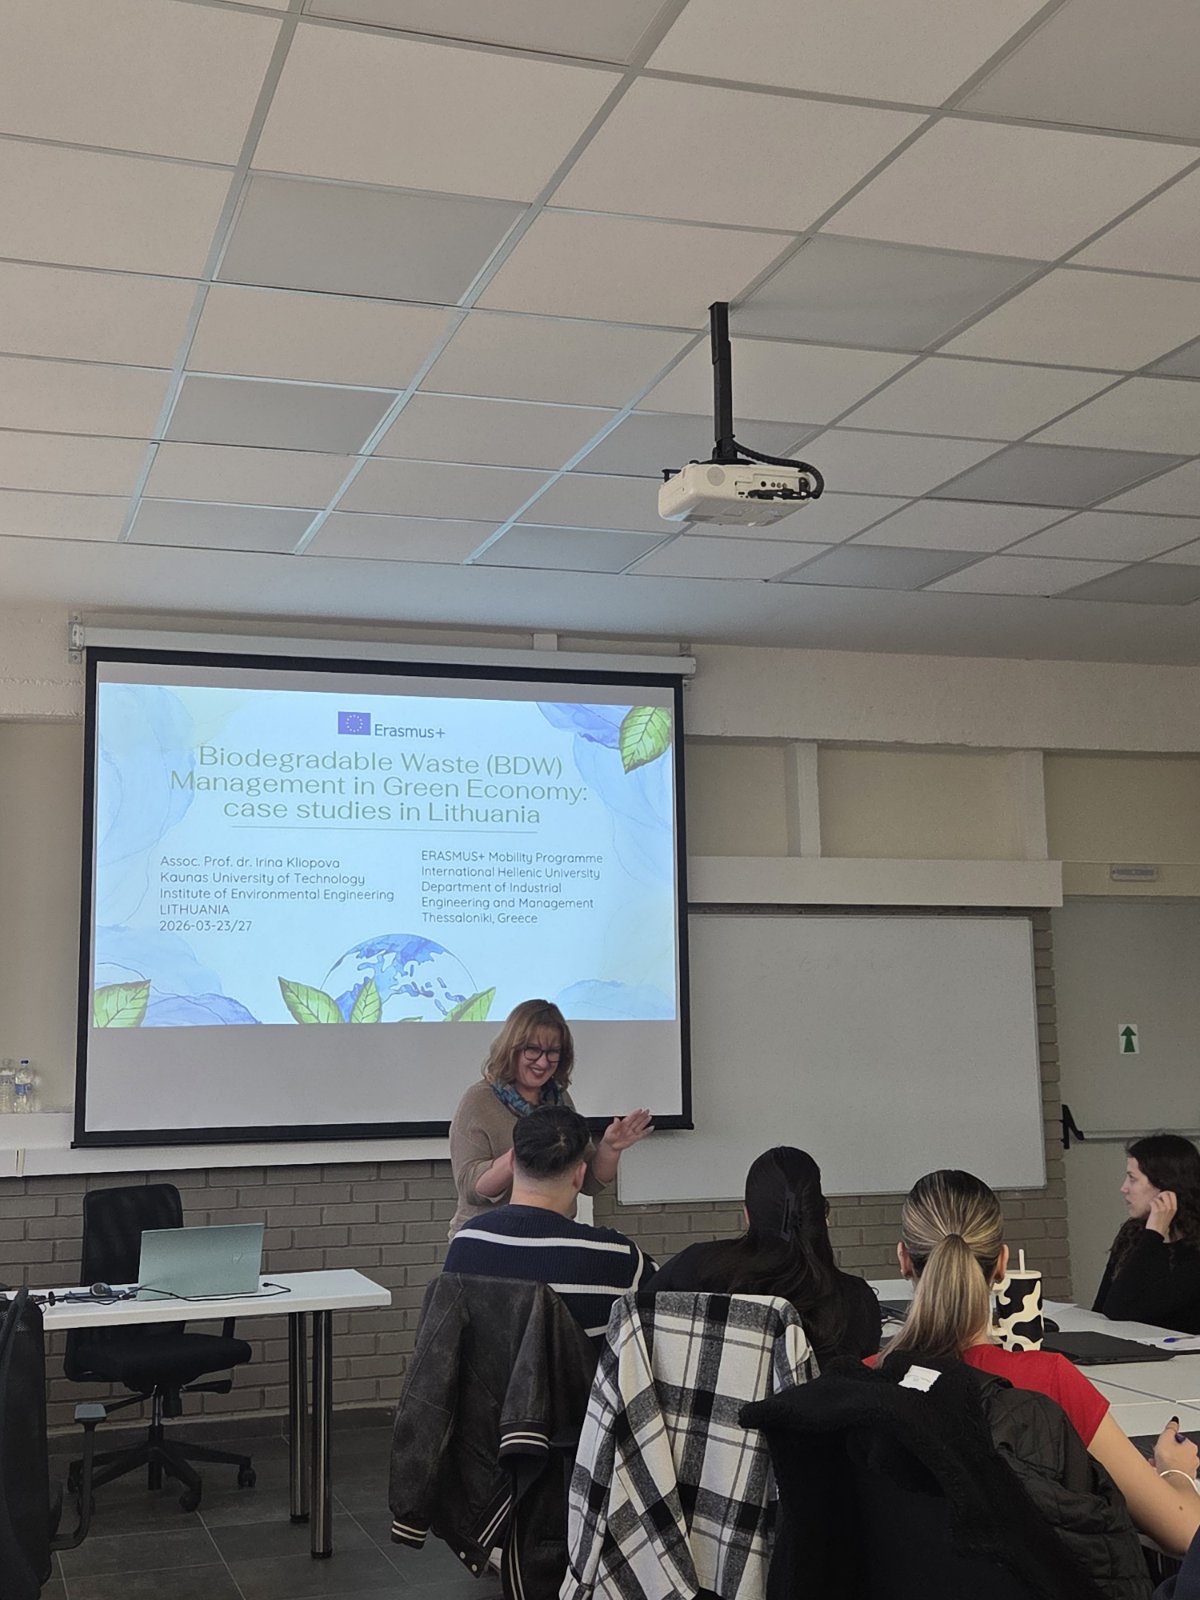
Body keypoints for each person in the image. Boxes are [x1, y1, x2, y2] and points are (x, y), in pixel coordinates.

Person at [877, 1168, 1200, 1561]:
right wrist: (1176, 1472)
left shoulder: (861, 1379)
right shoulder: (1046, 1382)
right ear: (1002, 1265)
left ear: (903, 1259)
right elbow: (1184, 1532)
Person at [641, 1145, 882, 1363]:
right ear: (822, 1216)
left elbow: (634, 1329)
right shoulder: (858, 1300)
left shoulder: (695, 1265)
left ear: (748, 1214)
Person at [443, 1104, 654, 1345]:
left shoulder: (466, 1243)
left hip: (486, 1371)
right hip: (585, 1371)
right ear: (580, 1174)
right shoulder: (619, 1256)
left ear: (510, 1162)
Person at [447, 998, 652, 1237]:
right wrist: (521, 1156)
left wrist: (610, 1148)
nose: (543, 1062)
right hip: (488, 1239)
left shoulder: (560, 1098)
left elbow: (589, 1183)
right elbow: (471, 1188)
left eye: (553, 1052)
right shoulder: (478, 1100)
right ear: (512, 1048)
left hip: (552, 1236)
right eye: (533, 1049)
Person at [1094, 1135, 1200, 1334]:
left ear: (1166, 1185)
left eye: (1133, 1179)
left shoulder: (1194, 1248)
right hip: (1129, 1346)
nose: (1124, 1188)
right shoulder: (1133, 1232)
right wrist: (1152, 1234)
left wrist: (1154, 1235)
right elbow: (1102, 1308)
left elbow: (1119, 1309)